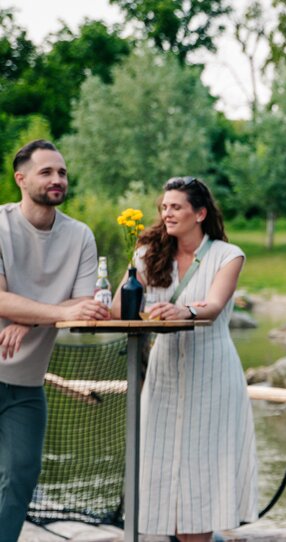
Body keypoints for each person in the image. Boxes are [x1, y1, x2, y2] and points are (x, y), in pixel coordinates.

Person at [111, 177, 257, 540]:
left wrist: (184, 311)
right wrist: (135, 284)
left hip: (212, 373)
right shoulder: (148, 253)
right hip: (163, 373)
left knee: (203, 471)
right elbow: (117, 309)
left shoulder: (228, 255)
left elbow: (214, 305)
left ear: (200, 213)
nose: (167, 213)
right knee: (159, 466)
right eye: (164, 207)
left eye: (176, 207)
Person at [0, 139, 110, 540]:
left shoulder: (79, 235)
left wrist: (27, 321)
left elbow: (85, 304)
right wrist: (52, 312)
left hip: (27, 384)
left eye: (62, 172)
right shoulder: (0, 225)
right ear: (21, 178)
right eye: (46, 171)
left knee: (21, 476)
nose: (57, 179)